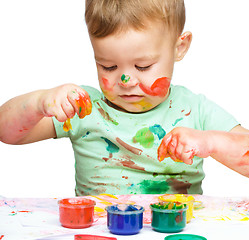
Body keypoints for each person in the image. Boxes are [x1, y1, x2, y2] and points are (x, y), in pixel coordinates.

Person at [1, 0, 249, 196]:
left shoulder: (193, 110)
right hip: (99, 232)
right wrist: (39, 103)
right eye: (108, 66)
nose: (126, 81)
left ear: (179, 48)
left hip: (175, 231)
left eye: (143, 66)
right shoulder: (84, 108)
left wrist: (211, 142)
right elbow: (7, 132)